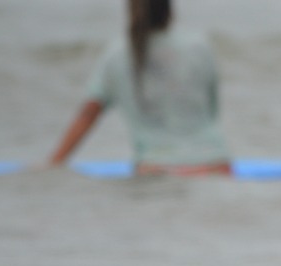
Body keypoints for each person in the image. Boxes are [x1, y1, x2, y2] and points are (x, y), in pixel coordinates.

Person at [48, 0, 230, 175]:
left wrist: (53, 165)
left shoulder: (116, 54)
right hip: (215, 164)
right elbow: (212, 110)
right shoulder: (199, 47)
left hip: (155, 169)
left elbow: (88, 114)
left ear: (132, 10)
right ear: (169, 8)